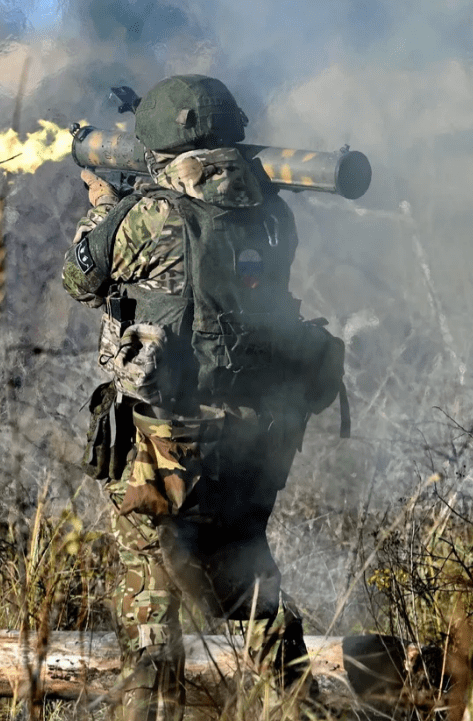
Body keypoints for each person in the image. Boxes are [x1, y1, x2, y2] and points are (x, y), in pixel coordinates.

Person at [62, 75, 348, 720]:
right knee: (249, 579)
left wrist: (102, 203)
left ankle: (149, 710)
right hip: (258, 431)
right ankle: (297, 708)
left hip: (169, 439)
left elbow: (81, 277)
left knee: (149, 591)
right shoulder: (273, 210)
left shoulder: (147, 212)